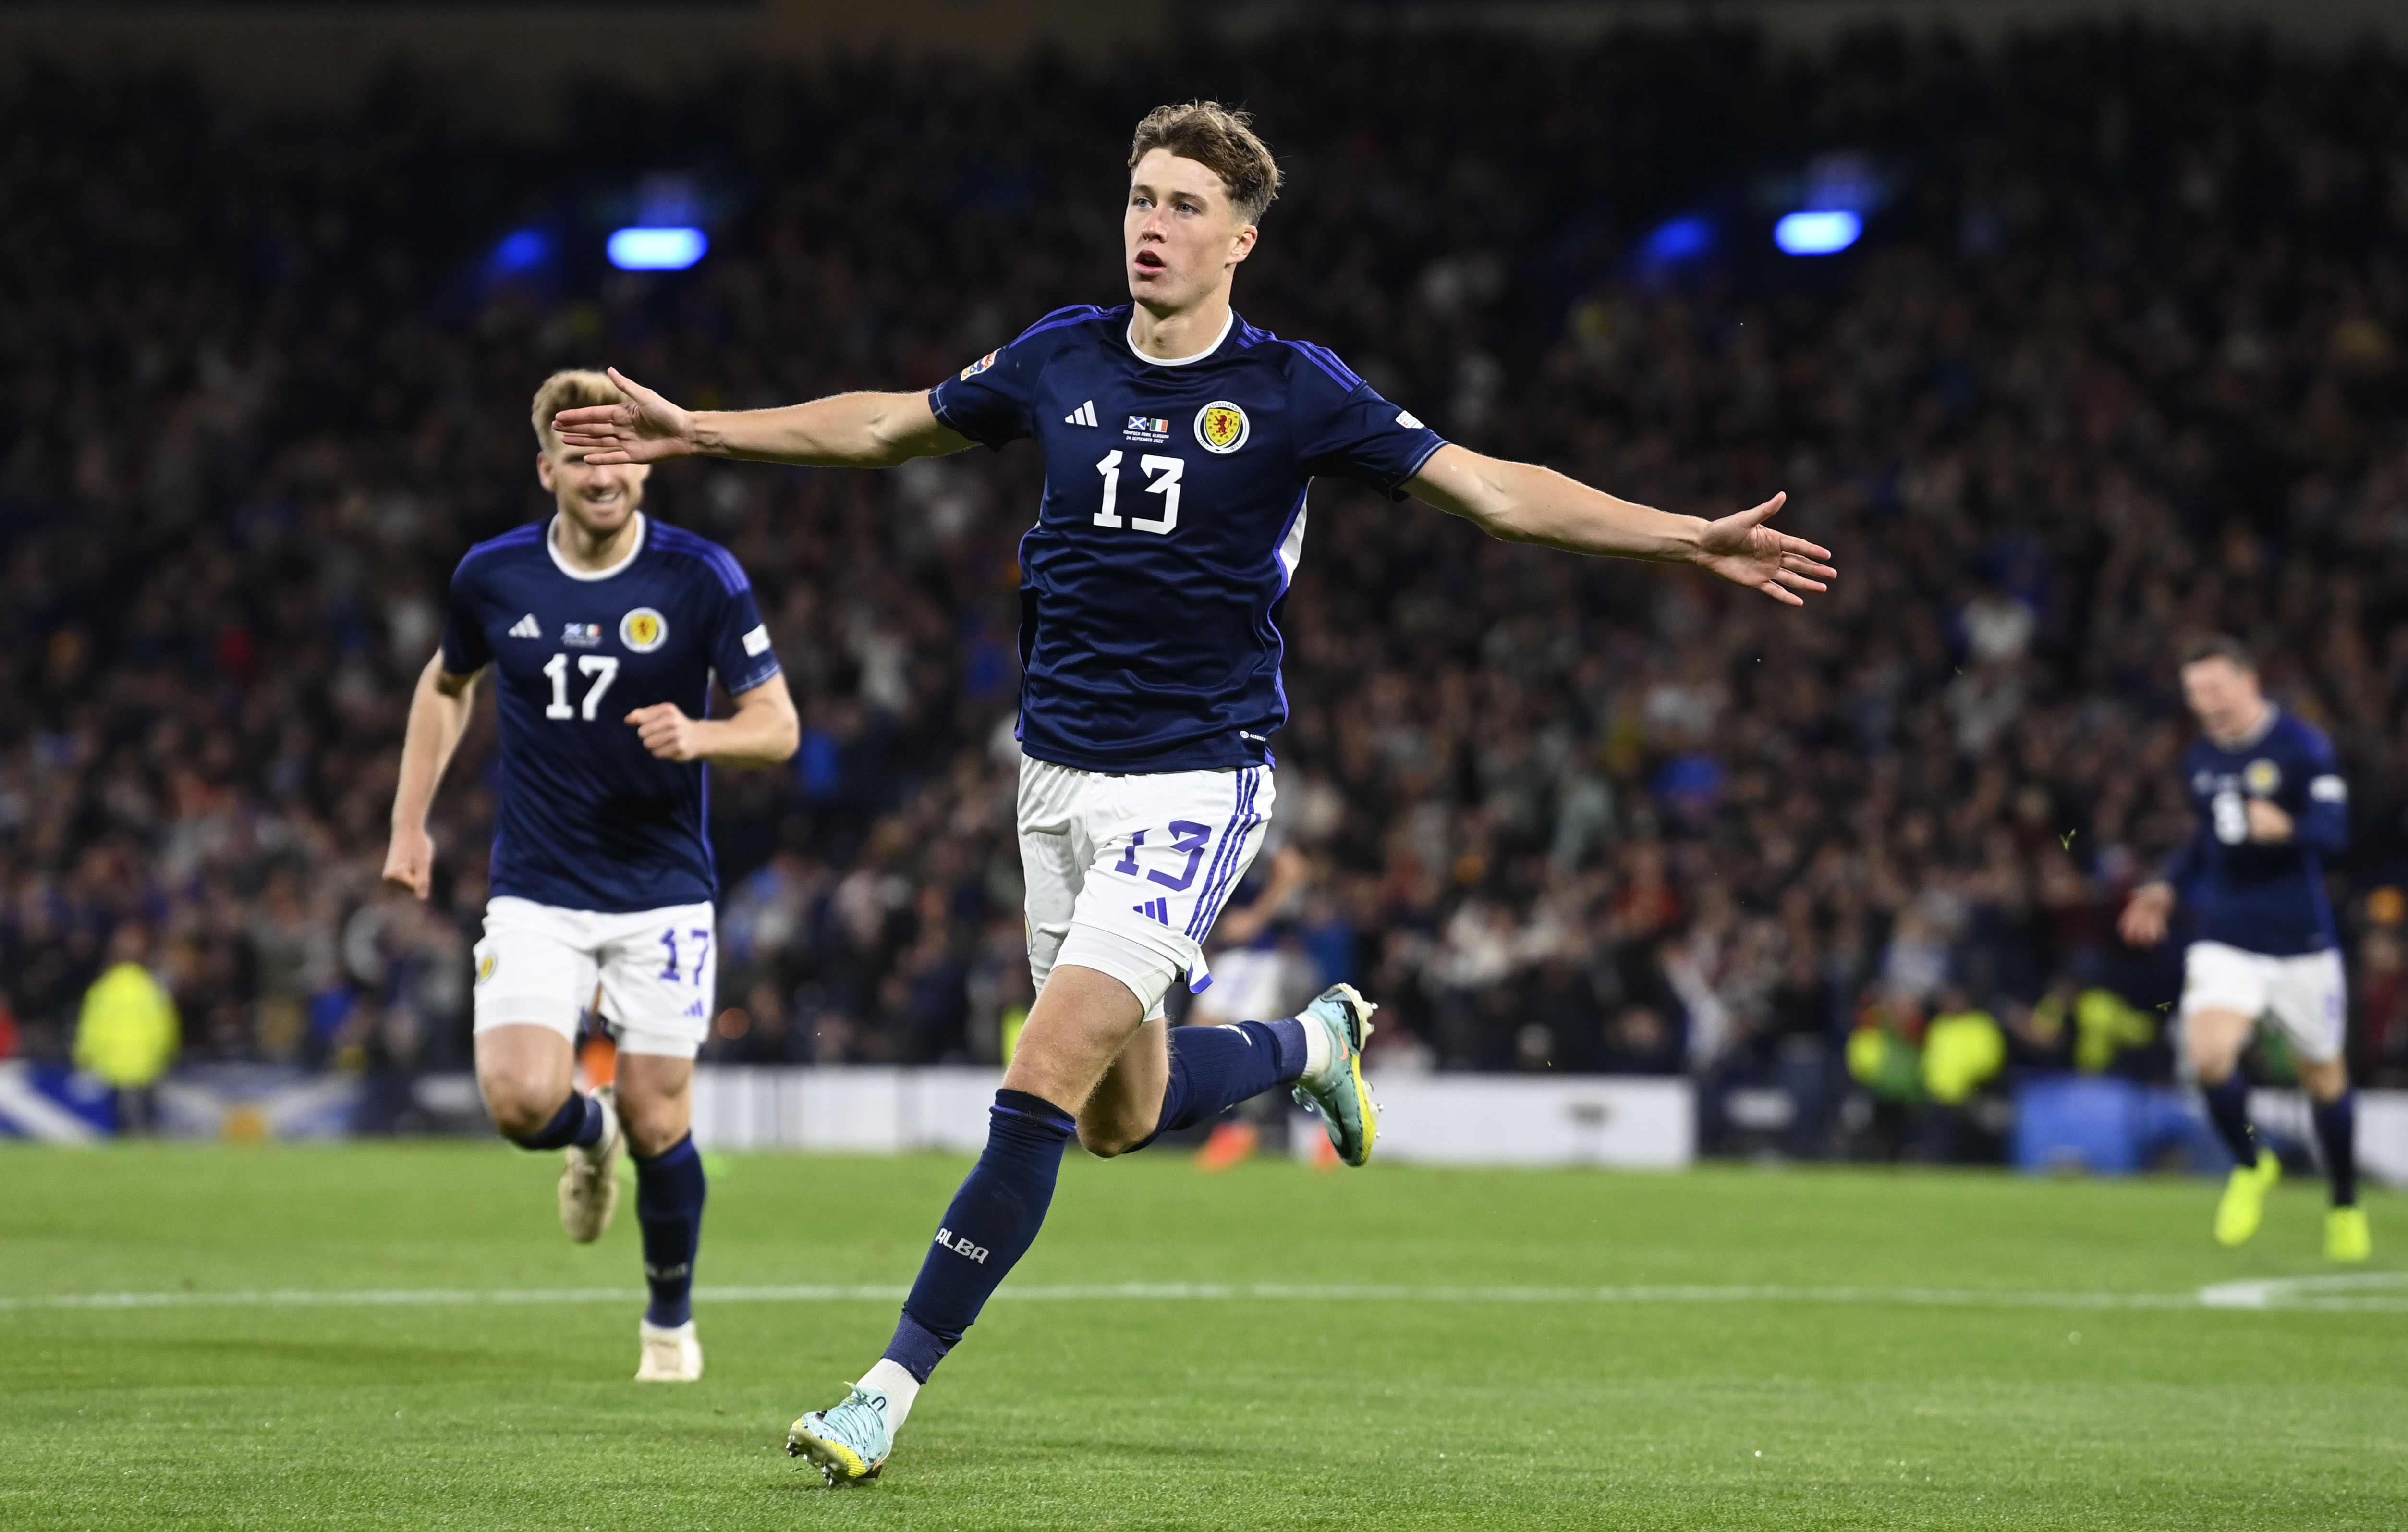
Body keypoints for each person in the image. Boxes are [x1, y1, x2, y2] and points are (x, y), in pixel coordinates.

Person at [552, 101, 1835, 1483]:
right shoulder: (1057, 354)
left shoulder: (1295, 391)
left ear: (1240, 239)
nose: (1148, 226)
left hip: (1191, 783)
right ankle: (1305, 1049)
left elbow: (1498, 493)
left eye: (1178, 207)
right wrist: (706, 432)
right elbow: (885, 426)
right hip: (1051, 779)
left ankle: (883, 1386)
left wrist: (1681, 535)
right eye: (1138, 198)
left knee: (1039, 1076)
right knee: (1112, 1114)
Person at [382, 370, 799, 1381]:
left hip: (660, 887)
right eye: (578, 454)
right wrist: (409, 823)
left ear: (643, 464)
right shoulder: (493, 576)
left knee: (666, 1119)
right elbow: (446, 687)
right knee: (522, 1101)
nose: (601, 471)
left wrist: (700, 734)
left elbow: (777, 729)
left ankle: (668, 1321)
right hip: (536, 882)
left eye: (616, 451)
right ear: (548, 469)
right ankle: (588, 1130)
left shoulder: (701, 577)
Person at [2118, 636, 2367, 1261]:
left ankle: (2342, 1202)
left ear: (2248, 681)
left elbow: (2336, 835)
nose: (2205, 704)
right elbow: (2208, 838)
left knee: (2325, 1082)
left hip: (2300, 943)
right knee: (2208, 1055)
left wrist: (2289, 828)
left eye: (2214, 688)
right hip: (2227, 937)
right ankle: (2250, 1163)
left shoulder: (2302, 747)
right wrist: (2165, 886)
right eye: (2193, 694)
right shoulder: (2201, 757)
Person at [74, 922, 179, 1134]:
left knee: (120, 1125)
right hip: (145, 1067)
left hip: (112, 1067)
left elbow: (89, 1029)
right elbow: (167, 1029)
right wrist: (166, 1056)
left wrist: (84, 1058)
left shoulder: (103, 989)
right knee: (143, 1123)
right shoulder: (151, 989)